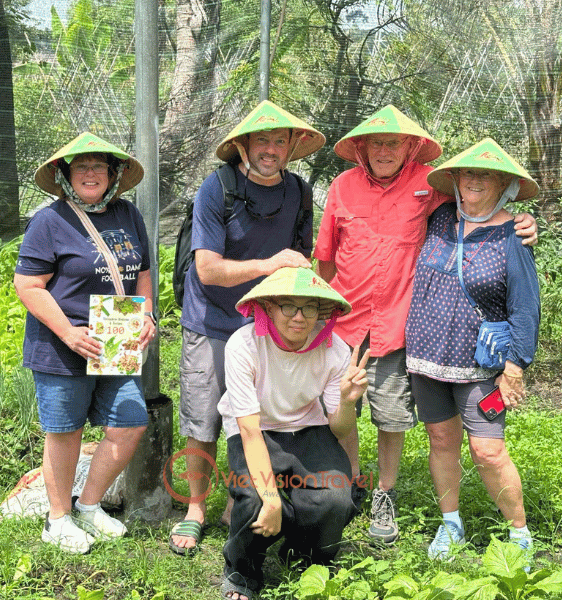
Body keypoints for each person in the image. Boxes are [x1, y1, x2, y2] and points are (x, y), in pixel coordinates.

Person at [313, 105, 537, 544]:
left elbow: (485, 211)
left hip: (398, 331)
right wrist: (316, 316)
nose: (383, 150)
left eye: (393, 142)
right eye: (375, 142)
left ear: (411, 147)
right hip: (345, 326)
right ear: (359, 146)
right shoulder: (344, 187)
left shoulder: (430, 186)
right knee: (339, 413)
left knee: (392, 416)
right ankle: (352, 483)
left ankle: (385, 493)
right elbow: (324, 257)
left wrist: (526, 223)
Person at [170, 101, 326, 555]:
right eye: (262, 140)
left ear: (293, 146)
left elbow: (297, 264)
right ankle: (194, 509)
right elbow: (207, 270)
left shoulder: (298, 192)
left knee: (258, 416)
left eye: (280, 140)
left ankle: (242, 495)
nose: (271, 149)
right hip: (213, 319)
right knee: (203, 417)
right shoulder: (218, 188)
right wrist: (269, 264)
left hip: (268, 326)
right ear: (242, 144)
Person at [14, 132, 157, 554]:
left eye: (99, 166)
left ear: (113, 175)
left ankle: (90, 505)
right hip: (64, 342)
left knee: (130, 421)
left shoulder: (128, 214)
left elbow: (143, 272)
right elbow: (28, 284)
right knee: (66, 431)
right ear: (65, 176)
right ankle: (57, 519)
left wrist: (148, 314)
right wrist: (69, 333)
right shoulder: (49, 221)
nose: (91, 173)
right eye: (81, 167)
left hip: (117, 338)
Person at [404, 138, 541, 564]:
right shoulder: (441, 217)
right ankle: (451, 525)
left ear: (504, 184)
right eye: (468, 173)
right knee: (441, 439)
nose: (475, 180)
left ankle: (519, 533)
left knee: (488, 449)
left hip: (481, 368)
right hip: (426, 357)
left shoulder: (513, 235)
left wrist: (516, 367)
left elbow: (526, 306)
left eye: (486, 174)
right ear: (456, 180)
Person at [217, 267, 368, 600]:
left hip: (308, 427)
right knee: (254, 496)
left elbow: (338, 427)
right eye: (288, 306)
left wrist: (345, 402)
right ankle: (242, 572)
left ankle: (307, 556)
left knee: (335, 496)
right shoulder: (243, 346)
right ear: (269, 307)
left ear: (321, 312)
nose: (299, 317)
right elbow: (248, 429)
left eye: (309, 307)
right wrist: (271, 499)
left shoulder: (336, 350)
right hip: (256, 430)